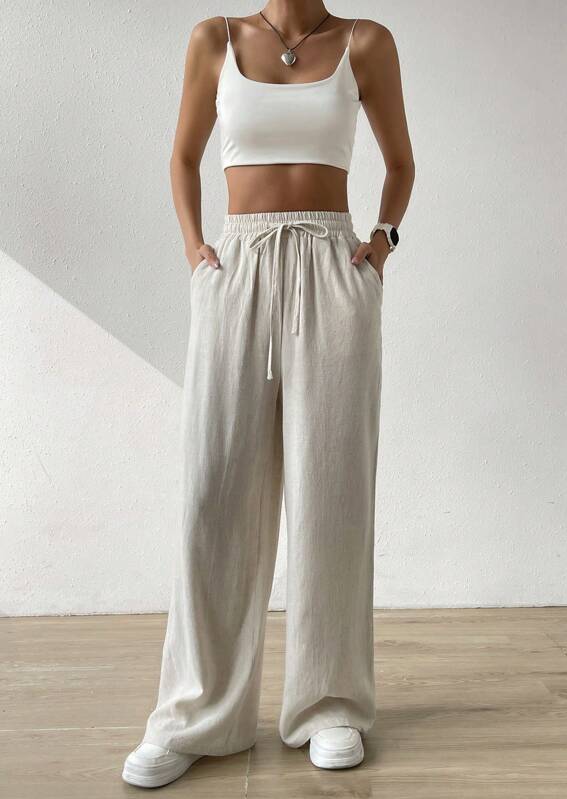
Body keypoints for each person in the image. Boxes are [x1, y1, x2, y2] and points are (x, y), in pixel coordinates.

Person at [122, 2, 414, 788]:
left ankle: (331, 704)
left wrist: (382, 241)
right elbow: (184, 156)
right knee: (215, 490)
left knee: (333, 490)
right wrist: (197, 253)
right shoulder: (214, 39)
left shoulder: (364, 42)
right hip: (239, 265)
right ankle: (196, 712)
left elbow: (401, 164)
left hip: (331, 262)